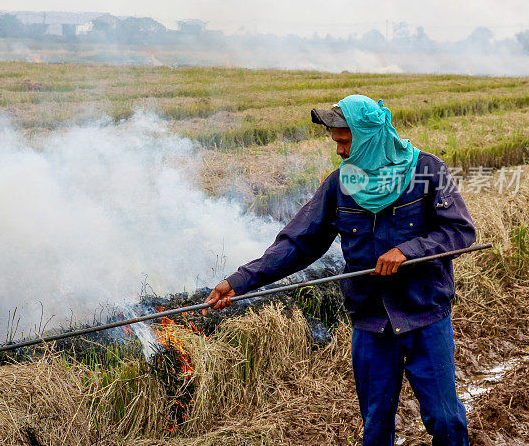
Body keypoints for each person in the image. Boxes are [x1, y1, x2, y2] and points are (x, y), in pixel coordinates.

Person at [204, 95, 476, 446]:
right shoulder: (340, 185)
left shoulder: (426, 171)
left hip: (424, 313)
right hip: (371, 321)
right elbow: (298, 243)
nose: (340, 151)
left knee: (446, 419)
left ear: (368, 137)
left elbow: (459, 231)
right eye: (336, 142)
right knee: (375, 426)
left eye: (345, 141)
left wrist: (408, 252)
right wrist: (240, 281)